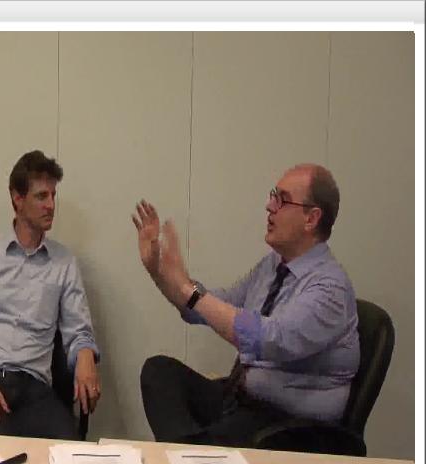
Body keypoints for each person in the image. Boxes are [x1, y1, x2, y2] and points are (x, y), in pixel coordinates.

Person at [134, 163, 359, 447]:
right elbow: (211, 308)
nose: (269, 206)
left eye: (282, 199)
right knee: (160, 373)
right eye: (273, 196)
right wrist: (159, 271)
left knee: (212, 439)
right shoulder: (273, 265)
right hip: (241, 400)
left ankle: (192, 454)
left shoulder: (330, 288)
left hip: (288, 424)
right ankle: (192, 453)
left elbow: (271, 339)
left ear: (311, 218)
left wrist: (188, 289)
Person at [0, 150, 101, 440]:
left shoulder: (63, 262)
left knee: (67, 453)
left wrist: (85, 357)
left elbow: (79, 332)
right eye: (42, 196)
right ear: (17, 198)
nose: (51, 205)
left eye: (53, 196)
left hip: (36, 390)